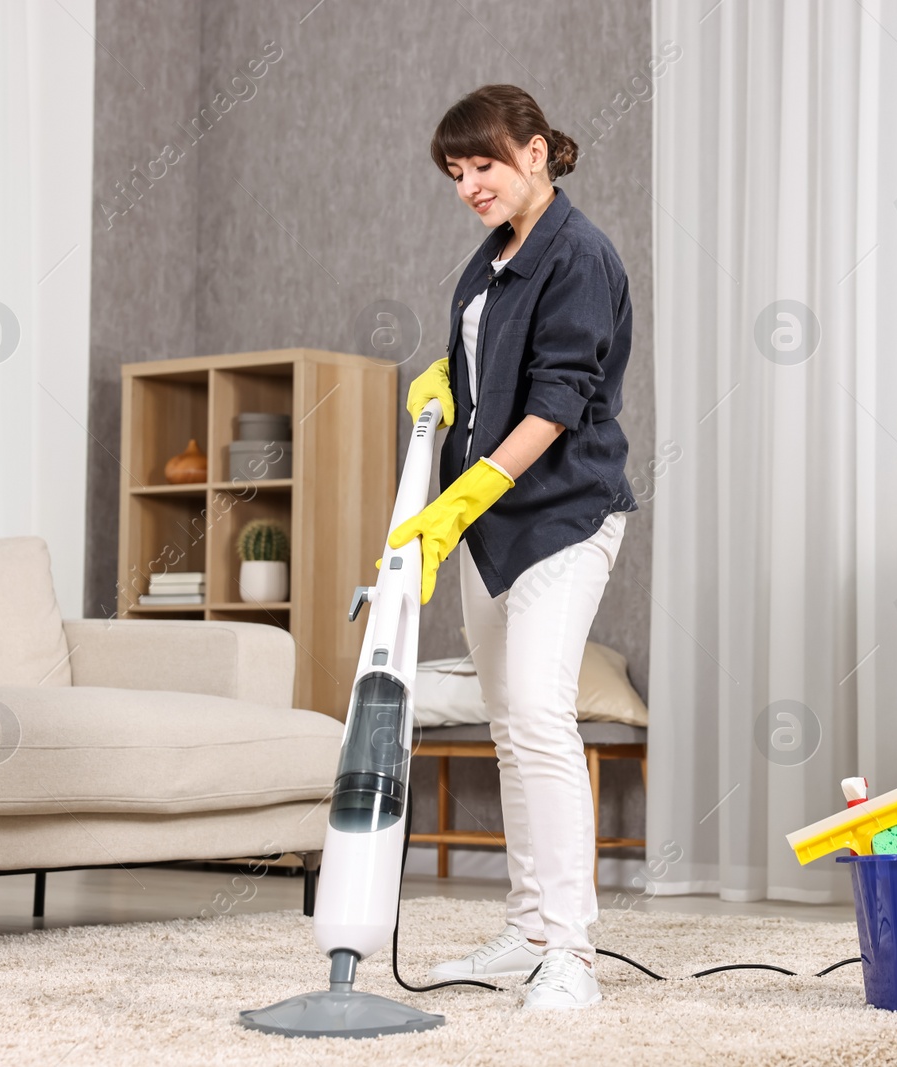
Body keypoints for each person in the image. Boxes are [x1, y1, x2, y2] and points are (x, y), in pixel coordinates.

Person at [386, 83, 637, 1010]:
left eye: (483, 163)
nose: (469, 184)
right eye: (456, 172)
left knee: (538, 714)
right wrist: (441, 385)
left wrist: (464, 495)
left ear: (536, 151)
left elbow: (556, 402)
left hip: (565, 515)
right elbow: (478, 370)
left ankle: (571, 951)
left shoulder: (580, 256)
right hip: (491, 526)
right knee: (506, 725)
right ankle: (527, 927)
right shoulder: (490, 259)